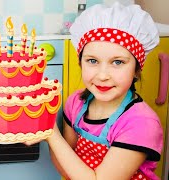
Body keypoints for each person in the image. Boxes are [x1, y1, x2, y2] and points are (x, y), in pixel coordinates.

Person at [25, 3, 163, 180]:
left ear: (136, 69)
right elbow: (64, 166)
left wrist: (51, 133)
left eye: (118, 62)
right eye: (92, 61)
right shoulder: (76, 103)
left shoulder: (141, 123)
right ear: (80, 63)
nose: (103, 75)